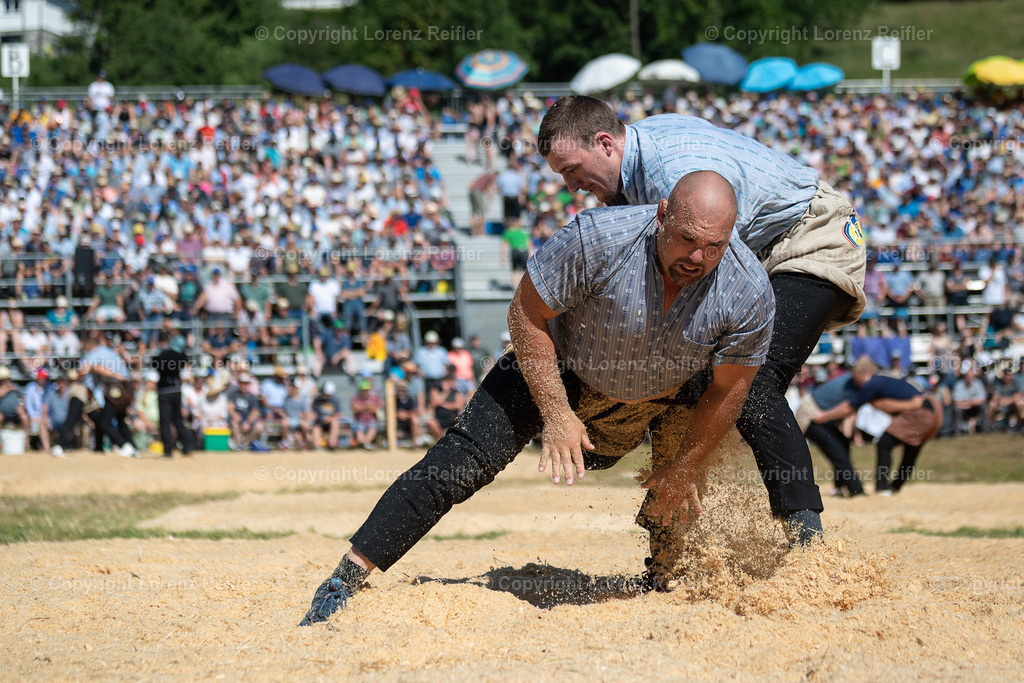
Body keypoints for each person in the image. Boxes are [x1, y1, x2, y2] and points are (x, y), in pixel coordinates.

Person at [299, 172, 774, 625]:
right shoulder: (598, 239)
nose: (697, 256)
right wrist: (557, 412)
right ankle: (347, 576)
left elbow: (729, 387)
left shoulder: (748, 288)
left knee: (680, 473)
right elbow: (525, 311)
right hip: (558, 366)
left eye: (714, 245)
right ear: (662, 214)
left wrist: (686, 466)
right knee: (461, 459)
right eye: (687, 238)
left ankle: (667, 574)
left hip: (660, 393)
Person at [536, 95, 867, 542]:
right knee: (692, 378)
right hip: (759, 247)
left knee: (751, 380)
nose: (572, 185)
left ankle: (807, 537)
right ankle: (676, 542)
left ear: (605, 143)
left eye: (572, 169)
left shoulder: (672, 178)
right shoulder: (644, 153)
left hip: (811, 238)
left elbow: (728, 270)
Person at [810, 357, 942, 495]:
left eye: (859, 380)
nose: (857, 384)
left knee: (884, 443)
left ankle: (882, 487)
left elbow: (848, 407)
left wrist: (823, 416)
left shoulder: (873, 383)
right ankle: (895, 487)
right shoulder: (882, 379)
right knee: (911, 448)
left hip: (920, 413)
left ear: (868, 374)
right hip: (933, 409)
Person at [151, 333, 192, 458]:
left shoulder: (158, 357)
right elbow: (185, 369)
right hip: (176, 389)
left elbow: (153, 371)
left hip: (164, 391)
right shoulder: (179, 355)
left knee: (165, 421)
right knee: (178, 420)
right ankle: (186, 448)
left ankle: (168, 450)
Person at [350, 379, 383, 450]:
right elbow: (355, 408)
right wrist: (368, 406)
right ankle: (365, 444)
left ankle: (365, 444)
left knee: (373, 427)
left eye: (366, 390)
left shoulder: (374, 397)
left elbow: (375, 408)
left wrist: (361, 407)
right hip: (360, 420)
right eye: (363, 390)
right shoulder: (355, 398)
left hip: (372, 420)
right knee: (359, 434)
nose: (365, 392)